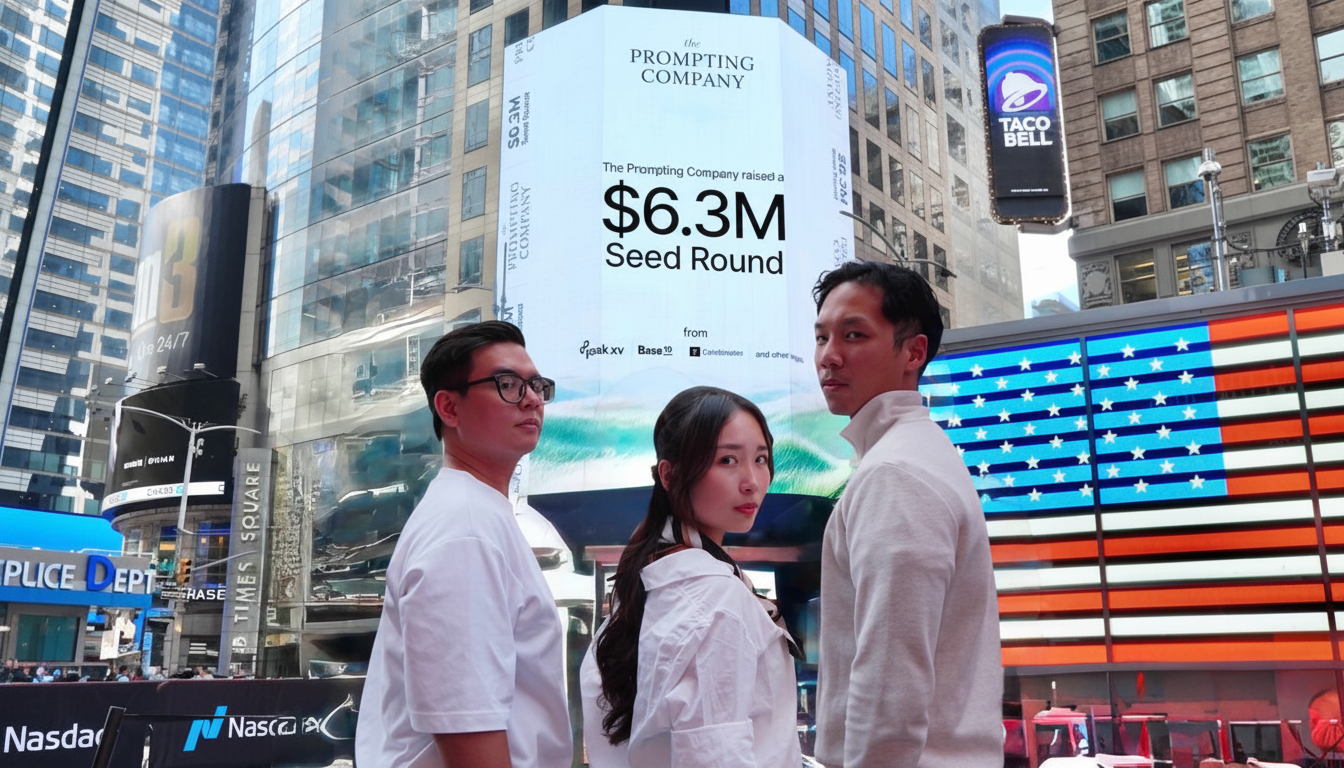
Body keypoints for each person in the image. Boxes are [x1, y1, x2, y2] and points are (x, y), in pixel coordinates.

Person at [812, 261, 1002, 767]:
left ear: (913, 352)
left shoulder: (895, 473)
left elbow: (890, 688)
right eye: (822, 336)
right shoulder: (913, 454)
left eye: (854, 335)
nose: (829, 357)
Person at [356, 320, 571, 768]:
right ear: (449, 408)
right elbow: (469, 732)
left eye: (537, 385)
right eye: (507, 384)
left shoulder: (477, 513)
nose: (531, 399)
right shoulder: (465, 529)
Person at [581, 386, 803, 768]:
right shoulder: (715, 600)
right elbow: (714, 758)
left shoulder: (650, 573)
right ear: (670, 474)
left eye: (761, 458)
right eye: (728, 460)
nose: (752, 480)